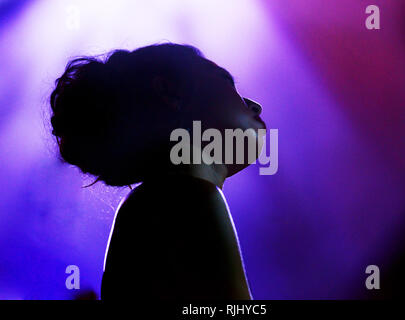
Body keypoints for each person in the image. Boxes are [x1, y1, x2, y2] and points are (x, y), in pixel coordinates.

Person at [49, 43, 266, 300]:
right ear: (169, 91)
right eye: (226, 81)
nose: (255, 106)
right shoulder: (187, 198)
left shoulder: (154, 202)